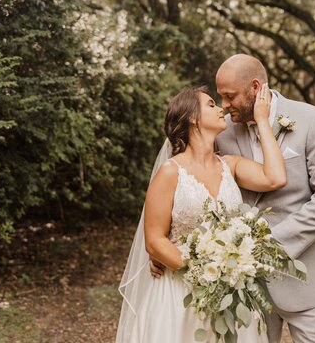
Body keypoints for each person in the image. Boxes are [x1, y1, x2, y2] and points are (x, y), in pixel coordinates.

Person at [116, 82, 286, 343]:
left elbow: (275, 177)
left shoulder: (230, 165)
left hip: (229, 292)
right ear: (192, 117)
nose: (221, 109)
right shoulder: (170, 172)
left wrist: (263, 121)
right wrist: (205, 277)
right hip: (179, 295)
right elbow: (154, 239)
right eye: (211, 104)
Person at [214, 54, 315, 343]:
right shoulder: (220, 132)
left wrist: (269, 246)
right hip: (245, 288)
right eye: (219, 97)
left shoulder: (313, 120)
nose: (223, 105)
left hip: (309, 282)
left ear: (254, 86)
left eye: (229, 96)